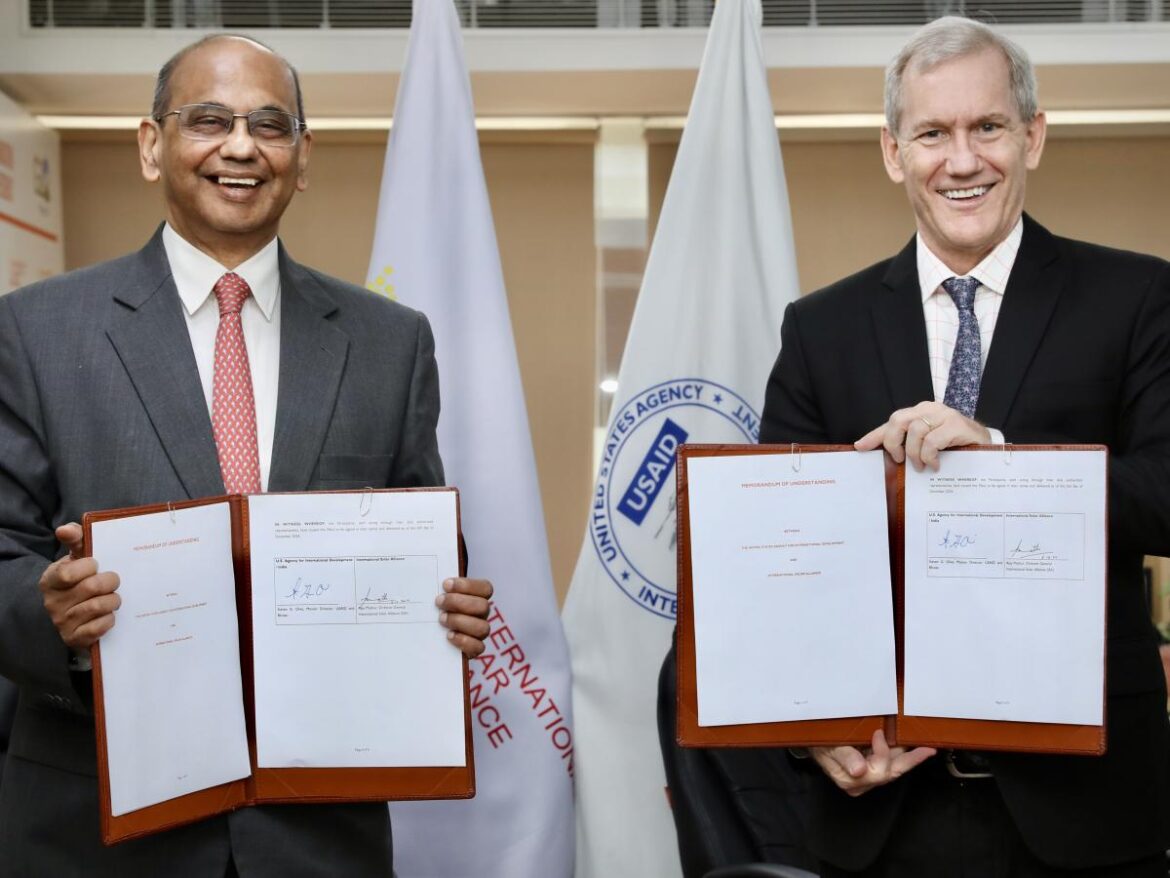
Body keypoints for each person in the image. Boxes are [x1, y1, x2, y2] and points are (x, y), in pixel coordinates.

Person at [0, 34, 493, 877]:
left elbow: (417, 536)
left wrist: (444, 602)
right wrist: (50, 612)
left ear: (302, 158)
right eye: (209, 120)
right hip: (98, 827)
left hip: (318, 833)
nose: (240, 146)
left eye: (270, 124)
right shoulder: (36, 330)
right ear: (152, 147)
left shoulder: (389, 343)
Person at [761, 16, 1170, 878]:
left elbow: (1165, 493)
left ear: (1034, 136)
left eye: (987, 127)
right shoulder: (819, 329)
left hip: (1083, 813)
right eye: (932, 133)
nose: (962, 160)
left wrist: (1000, 459)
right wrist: (812, 735)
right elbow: (779, 564)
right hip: (879, 814)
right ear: (891, 151)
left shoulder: (1137, 296)